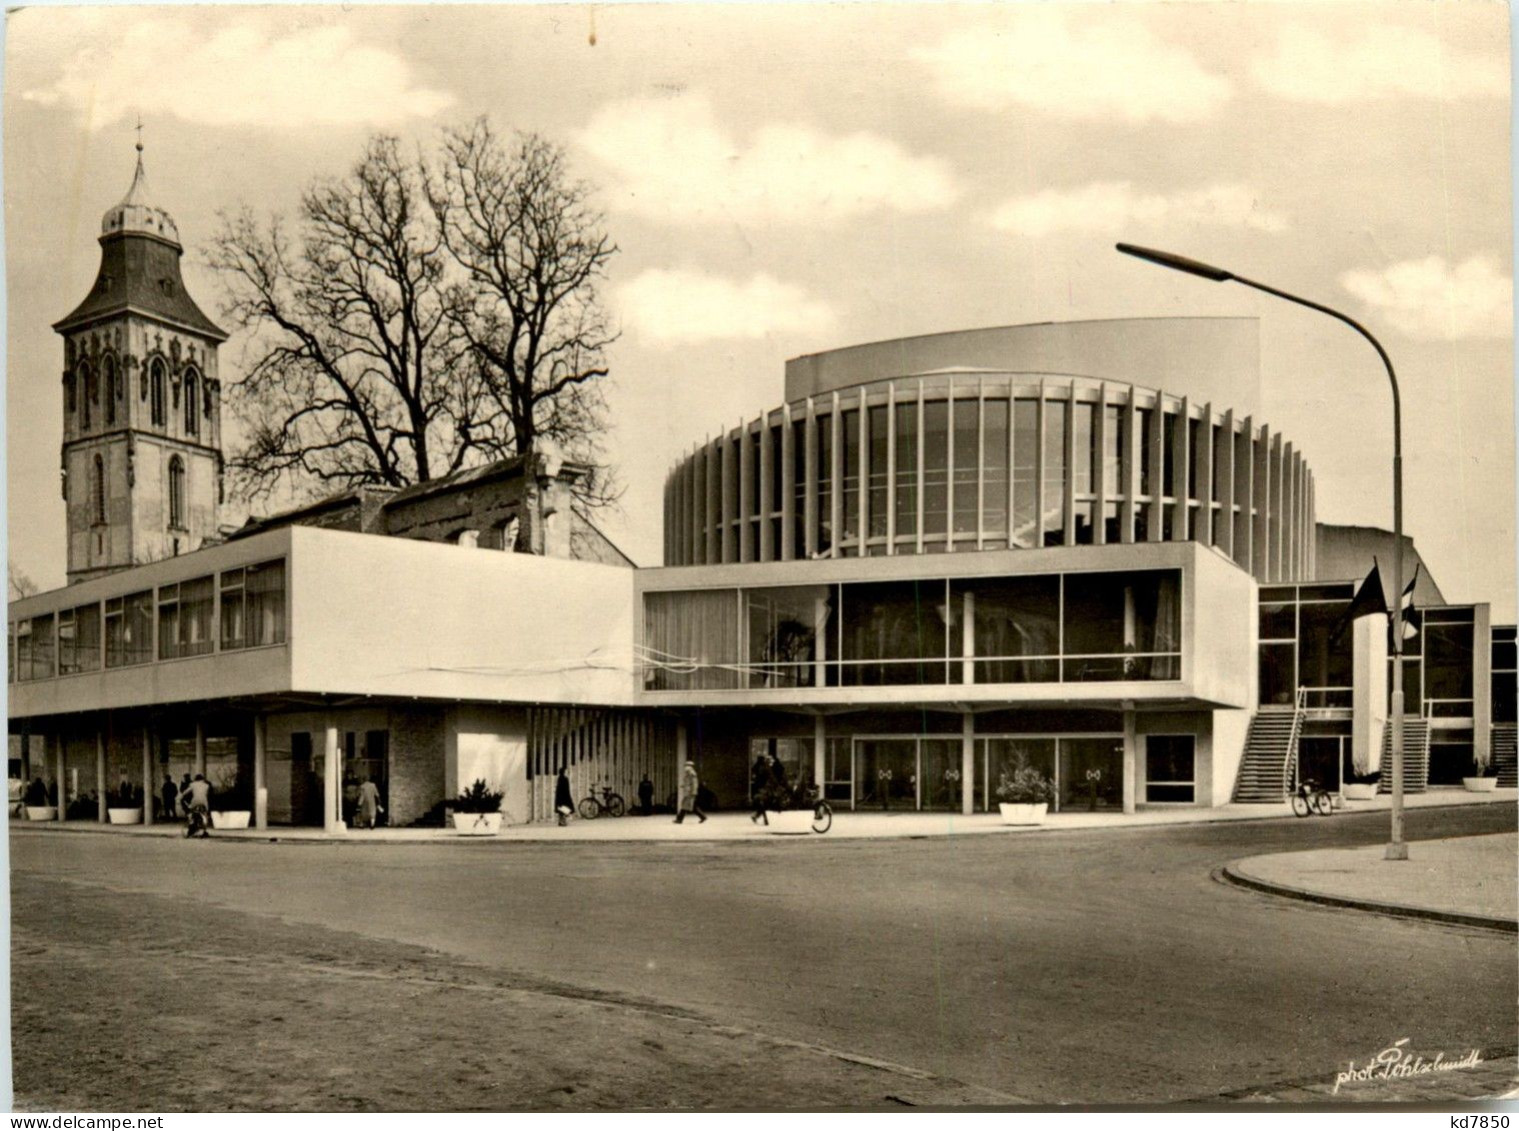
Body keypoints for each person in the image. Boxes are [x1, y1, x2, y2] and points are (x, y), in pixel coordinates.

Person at [179, 773, 212, 837]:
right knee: (205, 814)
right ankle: (204, 830)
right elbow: (208, 794)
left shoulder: (192, 784)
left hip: (195, 801)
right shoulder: (206, 785)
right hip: (204, 802)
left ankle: (191, 821)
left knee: (190, 812)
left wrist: (181, 796)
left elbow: (185, 792)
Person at [674, 760, 706, 824]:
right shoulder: (688, 773)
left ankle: (679, 820)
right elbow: (688, 783)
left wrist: (693, 792)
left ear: (690, 766)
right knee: (692, 806)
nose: (685, 767)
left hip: (690, 793)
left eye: (686, 765)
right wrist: (684, 786)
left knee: (685, 806)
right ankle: (702, 817)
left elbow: (694, 784)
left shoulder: (692, 773)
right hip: (688, 792)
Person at [749, 754, 771, 825]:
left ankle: (758, 816)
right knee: (764, 804)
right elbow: (769, 777)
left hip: (758, 787)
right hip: (763, 788)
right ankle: (763, 818)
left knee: (762, 804)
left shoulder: (756, 767)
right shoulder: (764, 768)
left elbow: (754, 776)